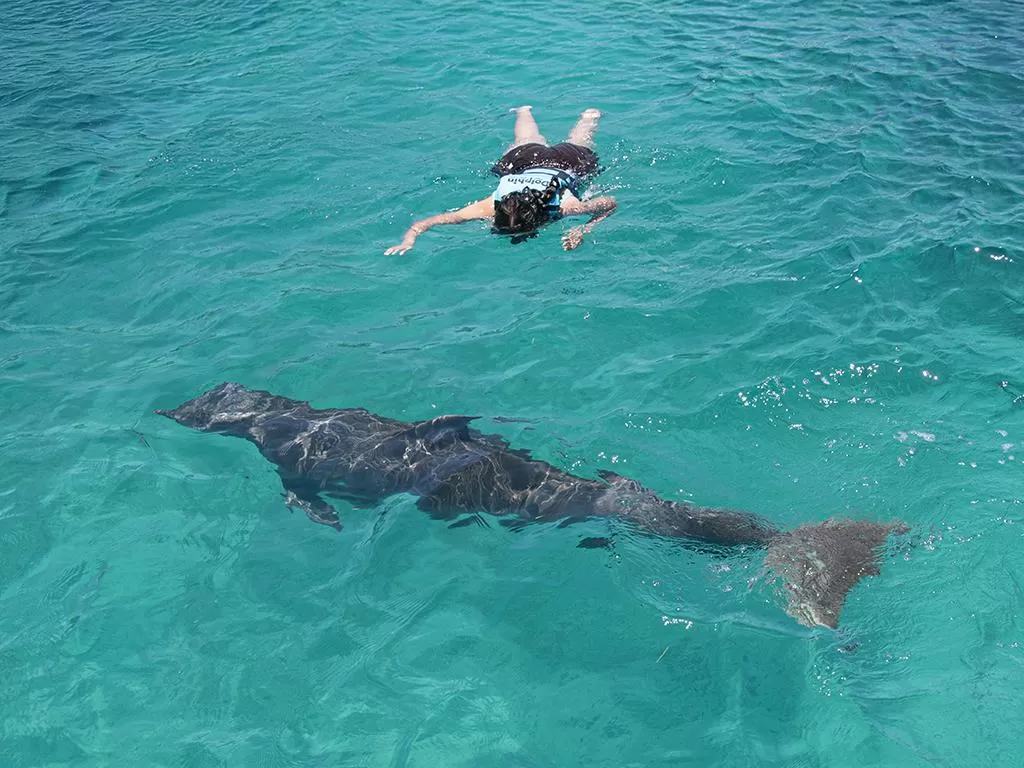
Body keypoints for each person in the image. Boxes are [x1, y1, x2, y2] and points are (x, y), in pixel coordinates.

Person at [385, 107, 617, 255]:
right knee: (565, 139)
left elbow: (611, 203)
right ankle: (587, 117)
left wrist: (583, 229)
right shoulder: (492, 205)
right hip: (532, 162)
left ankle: (525, 111)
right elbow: (425, 223)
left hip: (559, 162)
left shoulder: (565, 206)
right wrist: (409, 240)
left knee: (536, 138)